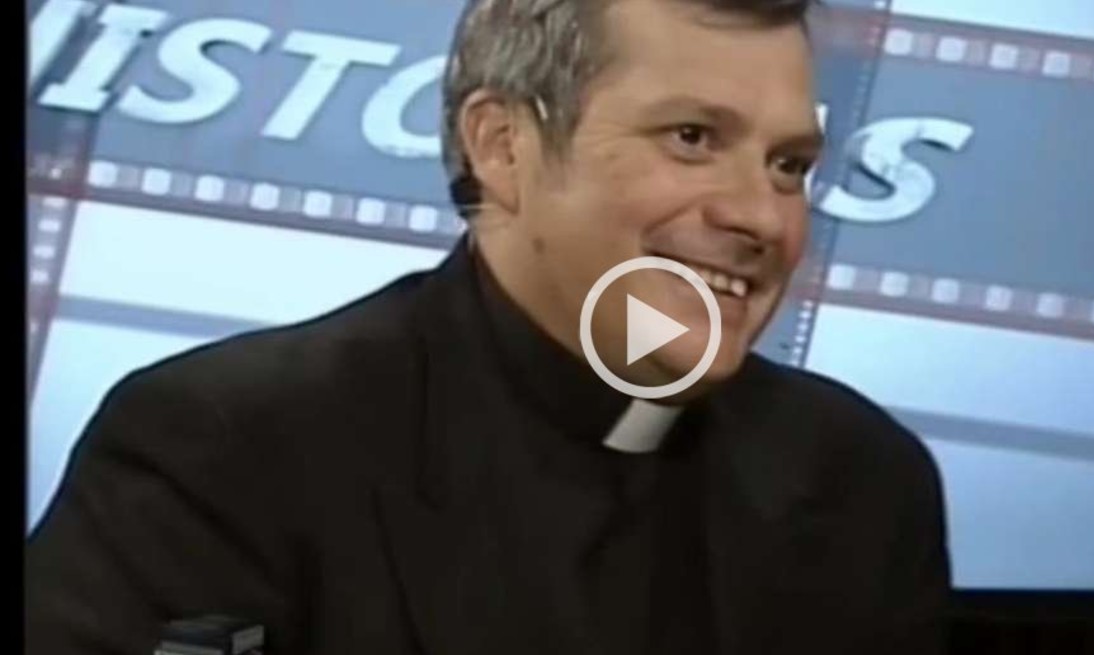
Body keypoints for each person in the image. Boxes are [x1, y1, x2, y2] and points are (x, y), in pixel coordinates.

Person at [25, 0, 951, 653]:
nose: (759, 216)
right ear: (503, 147)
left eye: (788, 165)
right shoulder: (228, 452)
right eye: (692, 139)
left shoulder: (861, 482)